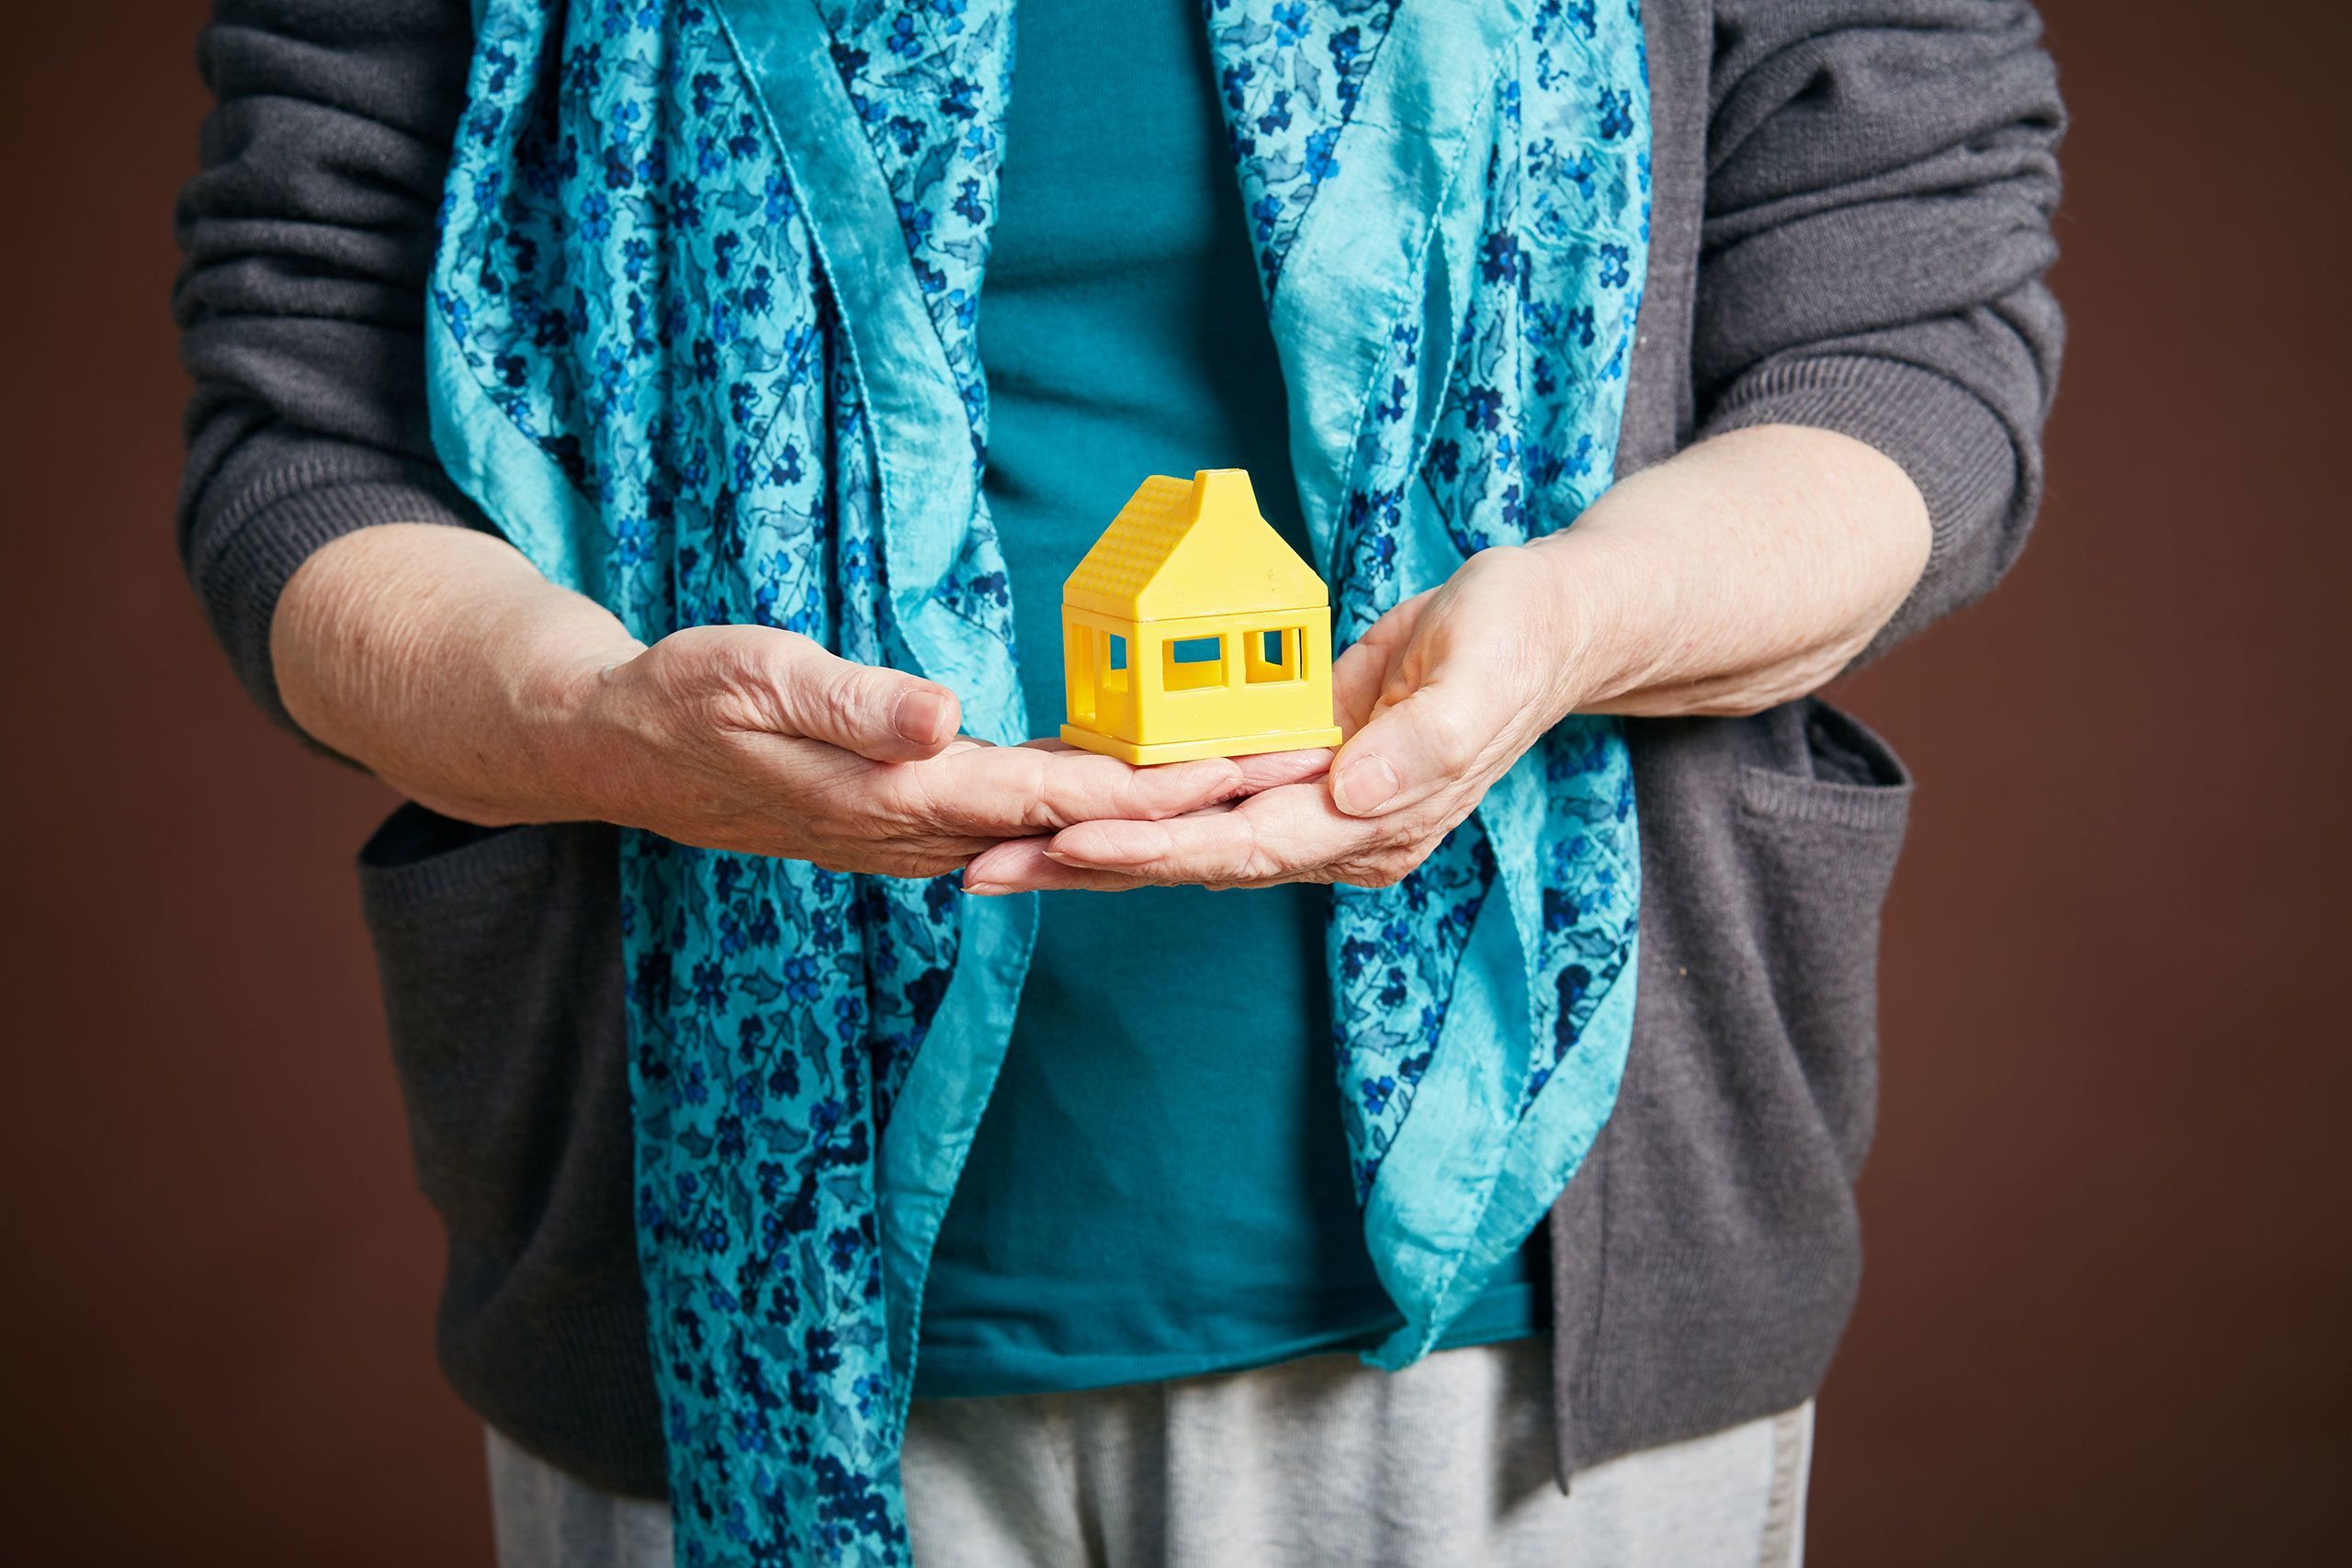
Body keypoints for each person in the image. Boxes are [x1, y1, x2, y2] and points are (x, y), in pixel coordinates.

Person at [175, 1, 2063, 1562]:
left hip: (1537, 1317)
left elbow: (1903, 344)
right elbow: (303, 431)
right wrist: (584, 718)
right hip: (711, 1284)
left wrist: (1570, 626)